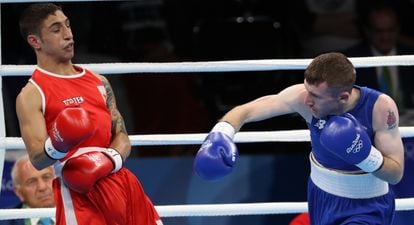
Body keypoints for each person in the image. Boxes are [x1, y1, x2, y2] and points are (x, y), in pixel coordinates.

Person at [194, 52, 404, 225]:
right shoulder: (303, 98)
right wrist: (222, 132)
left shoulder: (380, 108)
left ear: (343, 97)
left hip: (367, 206)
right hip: (322, 198)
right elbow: (246, 111)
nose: (307, 100)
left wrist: (365, 155)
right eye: (307, 90)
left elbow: (395, 174)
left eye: (316, 96)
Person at [15, 3, 162, 225]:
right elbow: (37, 158)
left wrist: (106, 160)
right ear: (35, 41)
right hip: (78, 193)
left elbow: (121, 136)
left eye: (68, 25)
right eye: (56, 29)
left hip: (120, 180)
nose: (68, 34)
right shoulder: (32, 95)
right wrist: (60, 142)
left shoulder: (99, 81)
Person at [343, 0, 414, 111]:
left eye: (390, 30)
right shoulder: (351, 60)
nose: (385, 37)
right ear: (367, 31)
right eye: (379, 31)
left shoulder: (410, 55)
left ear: (398, 29)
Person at [4, 154, 56, 225]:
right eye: (31, 182)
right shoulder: (4, 220)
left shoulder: (74, 213)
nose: (42, 187)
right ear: (18, 192)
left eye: (46, 177)